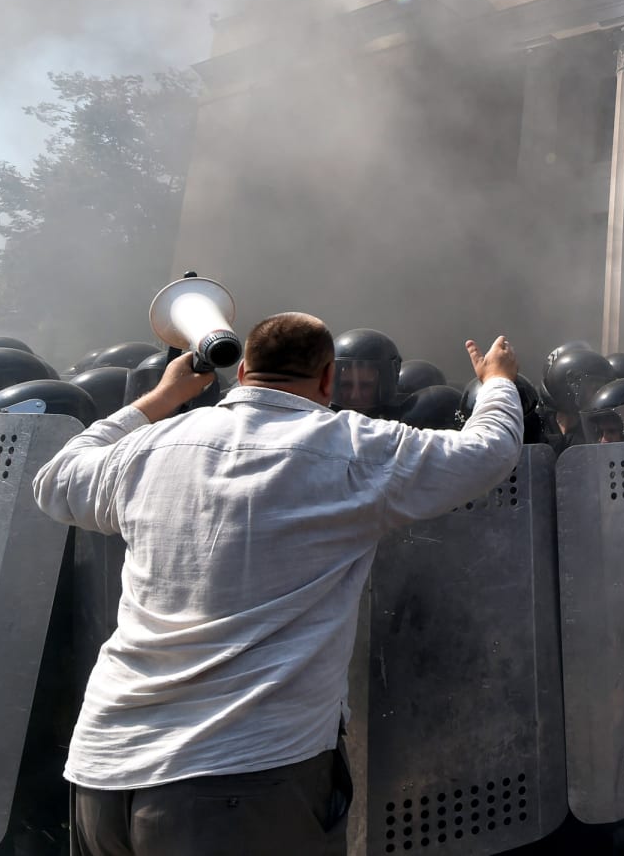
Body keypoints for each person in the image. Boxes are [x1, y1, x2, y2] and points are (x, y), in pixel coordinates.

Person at [31, 314, 524, 856]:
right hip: (244, 779)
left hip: (103, 773)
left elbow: (55, 481)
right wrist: (497, 380)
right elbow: (490, 451)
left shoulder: (150, 446)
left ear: (242, 371)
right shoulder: (355, 449)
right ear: (329, 378)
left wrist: (162, 397)